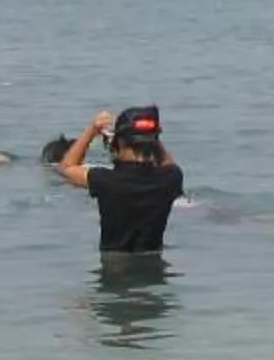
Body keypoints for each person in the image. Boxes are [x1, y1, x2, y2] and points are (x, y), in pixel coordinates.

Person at [59, 105, 183, 251]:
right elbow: (167, 164)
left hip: (115, 267)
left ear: (121, 142)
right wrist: (153, 137)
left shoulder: (105, 181)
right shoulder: (170, 179)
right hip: (154, 266)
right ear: (153, 141)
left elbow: (67, 167)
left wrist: (92, 130)